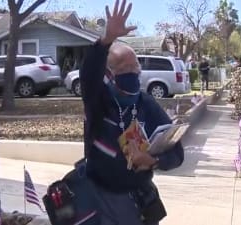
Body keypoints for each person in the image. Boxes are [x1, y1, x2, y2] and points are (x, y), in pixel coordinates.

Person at [79, 0, 184, 224]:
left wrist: (153, 160)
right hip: (102, 198)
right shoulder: (98, 100)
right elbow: (88, 73)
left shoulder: (146, 104)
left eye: (135, 67)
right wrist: (106, 40)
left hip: (141, 198)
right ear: (109, 73)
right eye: (124, 69)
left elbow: (177, 153)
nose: (133, 73)